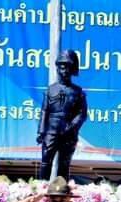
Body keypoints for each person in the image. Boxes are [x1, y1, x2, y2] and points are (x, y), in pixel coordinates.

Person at [37, 49, 88, 181]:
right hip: (51, 132)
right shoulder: (50, 89)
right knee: (45, 161)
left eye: (67, 67)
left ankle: (61, 189)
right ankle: (42, 187)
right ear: (57, 68)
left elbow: (82, 114)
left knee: (64, 164)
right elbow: (44, 111)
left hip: (68, 134)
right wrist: (41, 131)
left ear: (72, 69)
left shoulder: (78, 92)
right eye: (62, 67)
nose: (64, 70)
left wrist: (71, 126)